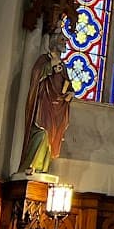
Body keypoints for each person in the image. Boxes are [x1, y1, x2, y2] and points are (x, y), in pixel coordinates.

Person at [20, 32, 73, 174]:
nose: (64, 43)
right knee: (42, 133)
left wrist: (70, 93)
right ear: (54, 42)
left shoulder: (63, 66)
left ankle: (43, 169)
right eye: (62, 40)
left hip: (58, 107)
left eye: (65, 41)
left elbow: (68, 83)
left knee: (53, 137)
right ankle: (31, 166)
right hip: (44, 104)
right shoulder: (44, 59)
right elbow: (36, 75)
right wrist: (50, 66)